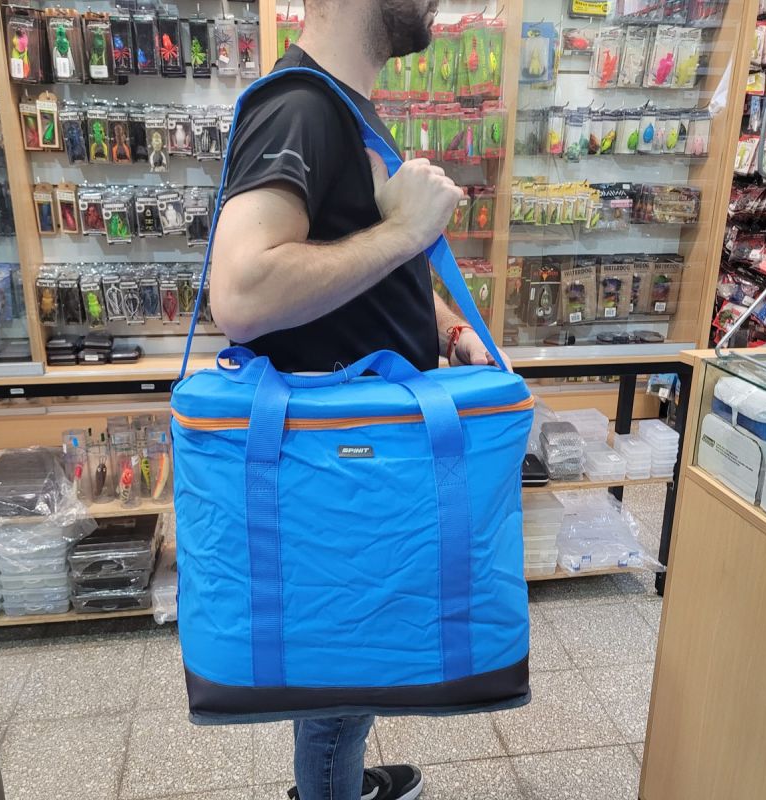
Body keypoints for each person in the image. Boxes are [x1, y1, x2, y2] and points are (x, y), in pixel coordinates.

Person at [210, 1, 511, 798]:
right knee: (341, 680)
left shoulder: (341, 107)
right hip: (341, 470)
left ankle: (334, 780)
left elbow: (363, 268)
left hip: (355, 462)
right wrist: (405, 233)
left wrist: (447, 327)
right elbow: (240, 292)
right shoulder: (301, 108)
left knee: (342, 667)